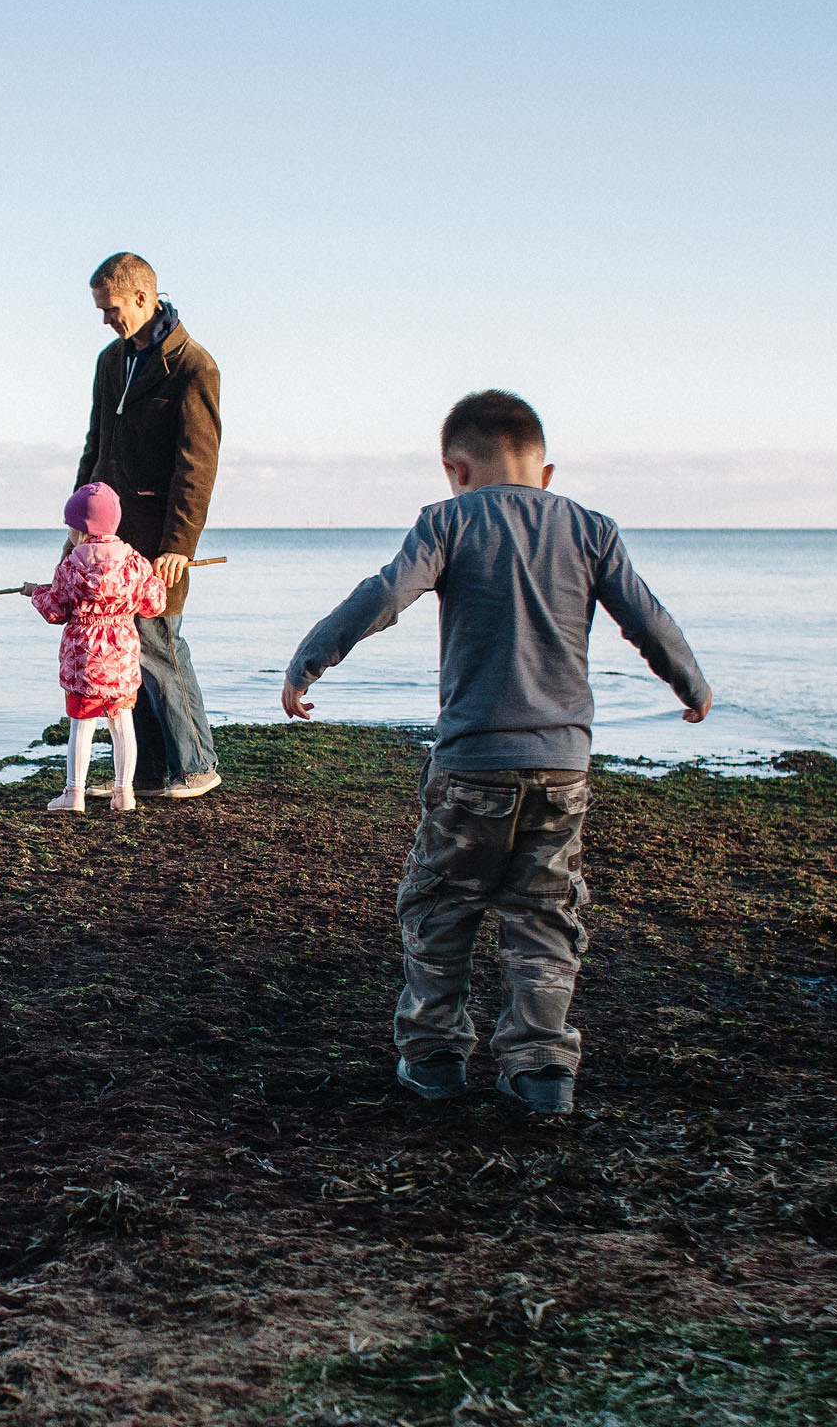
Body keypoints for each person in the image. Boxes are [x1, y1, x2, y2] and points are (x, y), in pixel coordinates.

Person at [280, 390, 712, 1116]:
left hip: (472, 766)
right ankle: (542, 1071)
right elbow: (646, 615)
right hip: (563, 769)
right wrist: (689, 682)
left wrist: (307, 663)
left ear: (457, 469)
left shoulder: (447, 521)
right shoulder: (589, 528)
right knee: (544, 916)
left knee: (438, 909)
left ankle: (436, 1060)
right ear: (544, 472)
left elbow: (384, 596)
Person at [74, 253, 222, 798]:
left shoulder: (194, 366)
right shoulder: (109, 361)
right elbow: (96, 444)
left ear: (142, 298)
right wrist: (80, 520)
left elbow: (197, 464)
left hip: (161, 540)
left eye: (111, 309)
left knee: (160, 644)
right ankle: (153, 771)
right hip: (108, 536)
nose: (106, 320)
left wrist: (180, 545)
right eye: (100, 311)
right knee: (126, 653)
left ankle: (198, 765)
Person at [23, 482, 168, 813]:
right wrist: (156, 579)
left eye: (72, 526)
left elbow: (55, 610)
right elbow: (153, 604)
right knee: (122, 724)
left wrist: (35, 593)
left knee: (82, 725)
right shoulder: (134, 563)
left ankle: (74, 794)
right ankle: (124, 793)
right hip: (121, 656)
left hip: (84, 658)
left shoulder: (72, 565)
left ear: (83, 529)